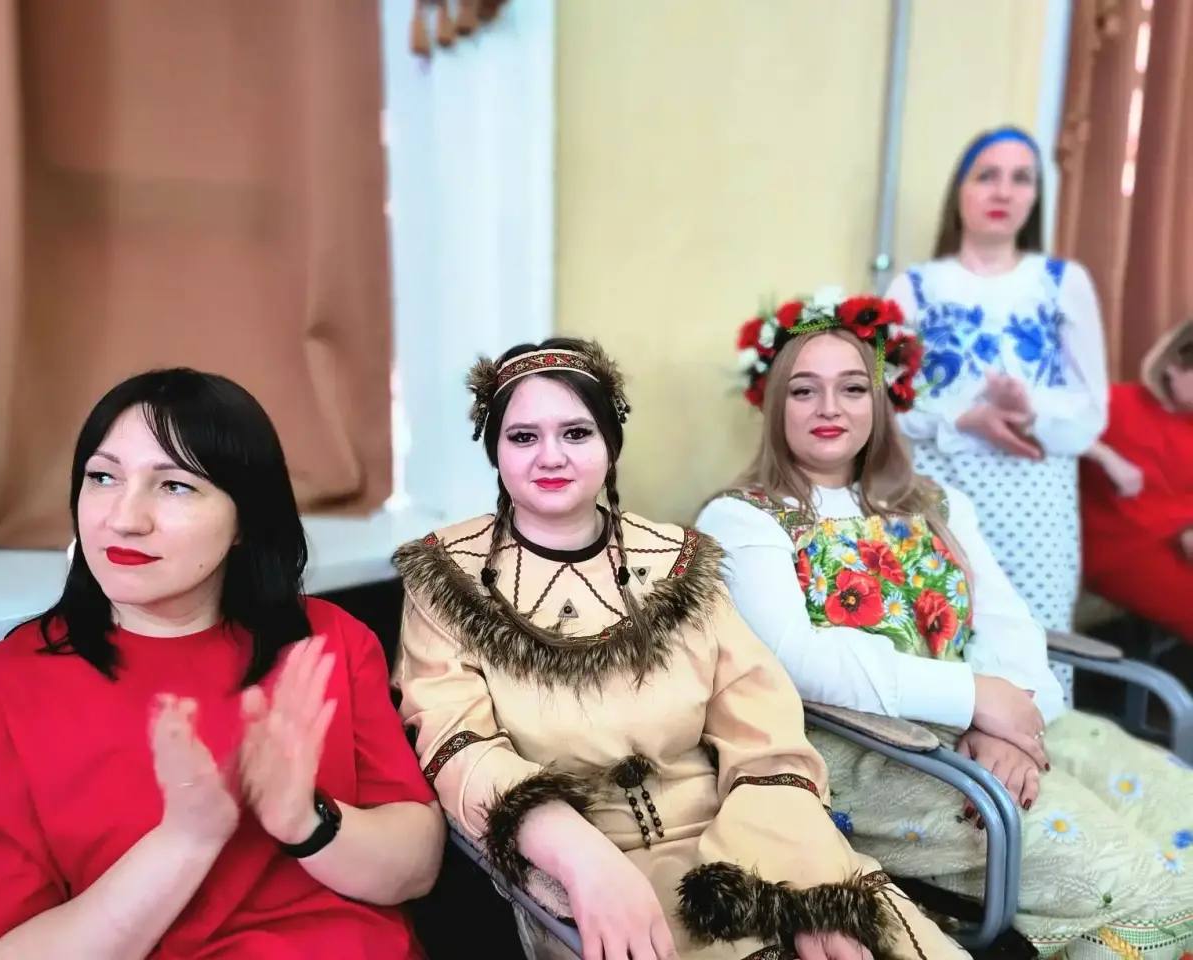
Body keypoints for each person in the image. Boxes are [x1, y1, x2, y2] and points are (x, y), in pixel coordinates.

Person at [392, 337, 964, 960]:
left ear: (610, 444)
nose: (550, 456)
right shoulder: (446, 576)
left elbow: (764, 732)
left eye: (577, 433)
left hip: (752, 836)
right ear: (495, 449)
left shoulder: (677, 559)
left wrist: (804, 885)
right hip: (587, 875)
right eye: (523, 436)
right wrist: (576, 854)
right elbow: (458, 746)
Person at [699, 296, 1193, 959]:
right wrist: (973, 698)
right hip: (870, 748)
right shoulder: (743, 518)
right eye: (804, 390)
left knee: (1180, 815)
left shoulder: (934, 501)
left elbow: (1007, 622)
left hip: (996, 728)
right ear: (773, 405)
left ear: (879, 401)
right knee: (1135, 883)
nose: (829, 408)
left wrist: (1015, 725)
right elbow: (798, 658)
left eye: (852, 388)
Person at [0, 368, 444, 959]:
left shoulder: (327, 640)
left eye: (174, 486)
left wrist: (306, 821)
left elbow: (417, 866)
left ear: (246, 520)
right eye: (102, 477)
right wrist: (186, 840)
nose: (125, 518)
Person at [884, 126, 1108, 695]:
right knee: (942, 635)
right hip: (940, 493)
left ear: (1036, 196)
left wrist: (1028, 412)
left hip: (1038, 507)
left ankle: (1039, 746)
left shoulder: (1063, 283)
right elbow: (886, 399)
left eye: (1021, 178)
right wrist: (963, 418)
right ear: (959, 190)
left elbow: (1091, 408)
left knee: (1037, 647)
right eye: (987, 175)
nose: (1003, 190)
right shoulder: (914, 288)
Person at [1081, 320, 1193, 644]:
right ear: (1173, 365)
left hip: (1181, 542)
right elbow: (1043, 424)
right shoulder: (1113, 403)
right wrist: (1105, 456)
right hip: (1126, 545)